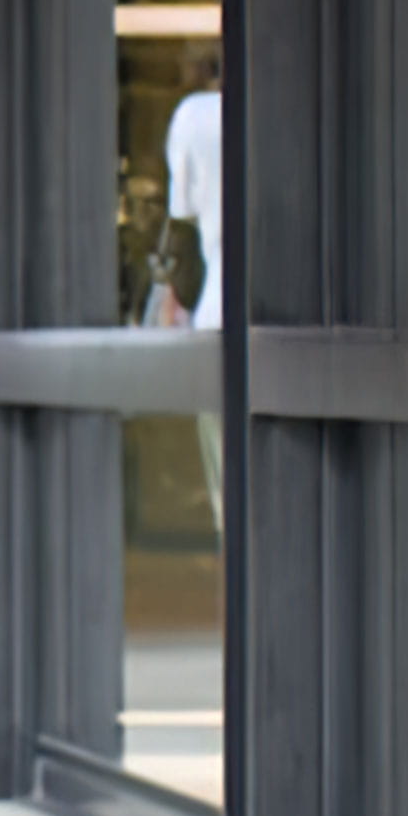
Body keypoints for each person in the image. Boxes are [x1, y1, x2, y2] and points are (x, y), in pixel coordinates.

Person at [165, 44, 225, 519]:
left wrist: (172, 295)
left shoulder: (195, 116)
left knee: (228, 480)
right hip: (302, 323)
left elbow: (180, 219)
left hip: (217, 313)